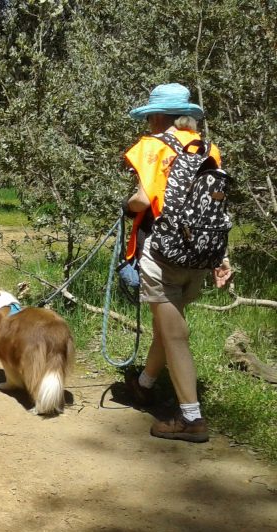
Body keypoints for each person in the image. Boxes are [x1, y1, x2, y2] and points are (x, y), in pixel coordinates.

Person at [122, 83, 233, 442]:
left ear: (157, 116)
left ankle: (190, 417)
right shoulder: (207, 147)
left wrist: (125, 207)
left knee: (173, 331)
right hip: (200, 251)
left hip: (162, 251)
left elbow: (142, 199)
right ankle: (143, 385)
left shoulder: (150, 148)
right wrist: (222, 255)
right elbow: (213, 204)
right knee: (167, 325)